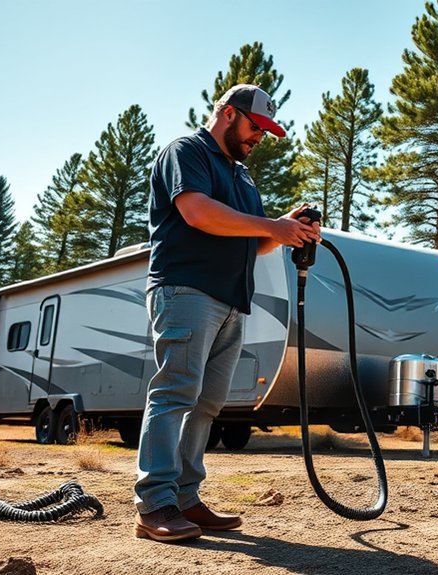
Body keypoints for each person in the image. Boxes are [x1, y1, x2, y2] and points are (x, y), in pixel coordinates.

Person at [134, 84, 320, 542]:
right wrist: (270, 224)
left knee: (207, 402)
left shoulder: (242, 177)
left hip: (231, 301)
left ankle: (185, 498)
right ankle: (154, 504)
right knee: (175, 393)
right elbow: (197, 212)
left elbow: (255, 243)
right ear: (229, 115)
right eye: (256, 127)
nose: (260, 137)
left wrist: (286, 229)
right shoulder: (187, 151)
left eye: (266, 131)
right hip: (186, 290)